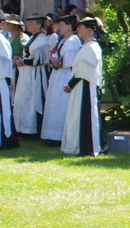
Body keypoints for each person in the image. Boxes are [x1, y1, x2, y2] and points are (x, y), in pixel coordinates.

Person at [61, 16, 105, 156]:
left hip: (86, 86)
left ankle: (89, 147)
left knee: (87, 115)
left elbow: (84, 72)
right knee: (77, 115)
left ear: (89, 29)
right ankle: (79, 145)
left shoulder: (91, 47)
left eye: (80, 27)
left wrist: (70, 84)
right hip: (80, 86)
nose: (78, 29)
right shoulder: (85, 46)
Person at [41, 14, 82, 145]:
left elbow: (64, 62)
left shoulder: (73, 40)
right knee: (54, 104)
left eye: (62, 25)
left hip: (65, 75)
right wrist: (52, 59)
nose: (59, 28)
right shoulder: (63, 40)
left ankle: (60, 135)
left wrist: (54, 60)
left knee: (62, 104)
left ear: (69, 26)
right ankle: (52, 135)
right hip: (58, 76)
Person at [13, 14, 50, 138]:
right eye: (28, 23)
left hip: (36, 75)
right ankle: (23, 128)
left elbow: (41, 60)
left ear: (39, 25)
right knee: (25, 100)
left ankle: (34, 129)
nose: (29, 25)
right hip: (27, 74)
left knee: (33, 101)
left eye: (32, 23)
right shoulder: (32, 38)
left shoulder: (42, 40)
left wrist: (23, 61)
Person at [0, 27, 17, 150]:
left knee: (4, 111)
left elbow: (5, 60)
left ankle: (5, 140)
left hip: (1, 79)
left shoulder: (1, 40)